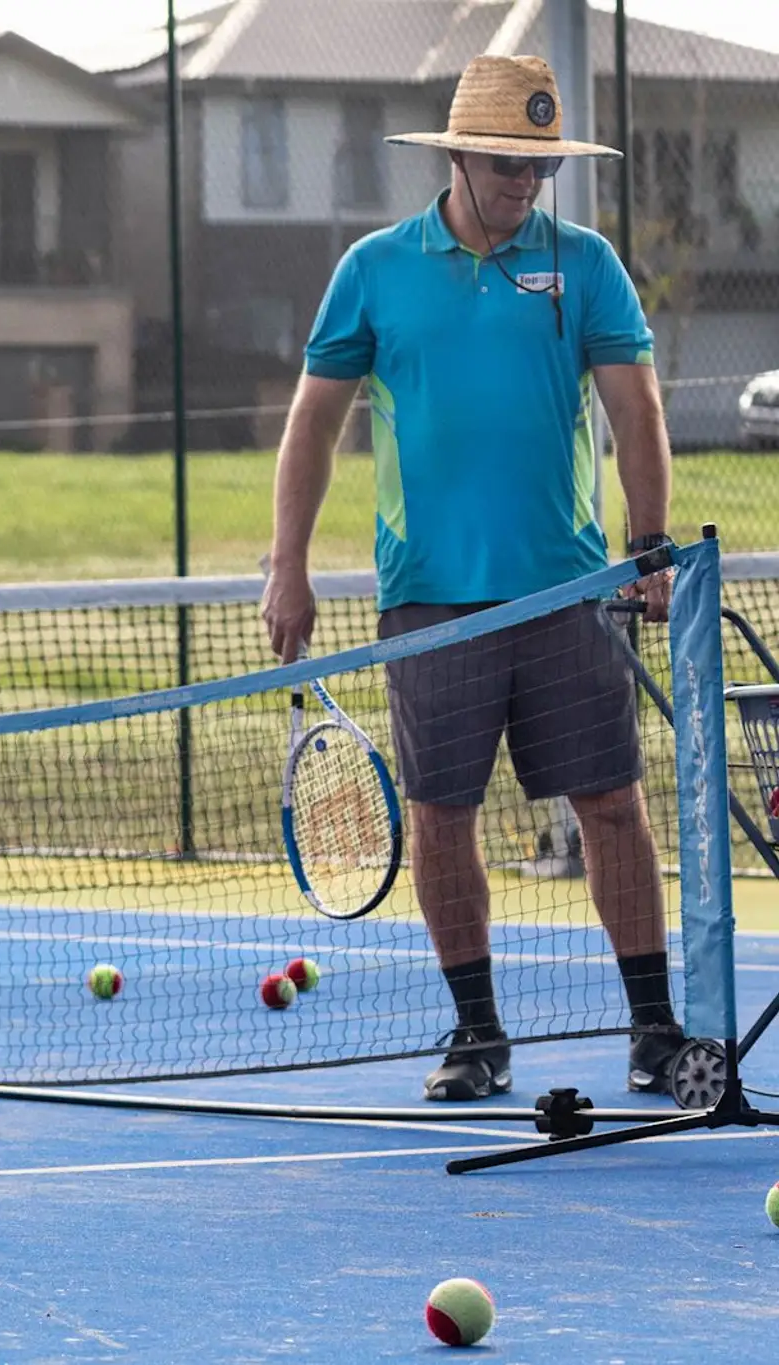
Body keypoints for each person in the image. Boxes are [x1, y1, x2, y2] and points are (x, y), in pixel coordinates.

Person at [259, 56, 682, 1101]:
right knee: (441, 816)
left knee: (612, 806)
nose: (525, 183)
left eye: (540, 167)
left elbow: (635, 409)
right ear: (456, 158)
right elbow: (313, 422)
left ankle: (654, 1031)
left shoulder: (586, 264)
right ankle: (478, 1036)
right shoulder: (373, 269)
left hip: (566, 595)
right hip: (428, 601)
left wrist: (649, 543)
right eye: (506, 164)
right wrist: (288, 565)